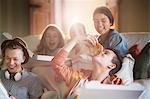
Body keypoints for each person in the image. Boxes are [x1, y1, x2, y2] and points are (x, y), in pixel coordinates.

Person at [49, 36, 123, 99]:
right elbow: (57, 64)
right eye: (102, 51)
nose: (101, 52)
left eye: (106, 53)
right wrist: (76, 40)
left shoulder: (115, 84)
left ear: (111, 66)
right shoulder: (79, 76)